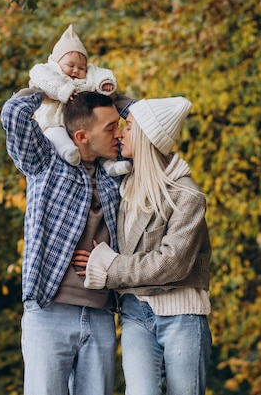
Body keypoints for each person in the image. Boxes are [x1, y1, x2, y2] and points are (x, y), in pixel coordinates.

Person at [78, 97, 212, 395]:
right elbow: (87, 125)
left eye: (129, 127)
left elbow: (171, 263)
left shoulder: (188, 197)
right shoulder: (122, 186)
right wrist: (95, 90)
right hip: (135, 312)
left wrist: (109, 268)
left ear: (148, 137)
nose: (120, 133)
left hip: (182, 315)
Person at [0, 89, 123, 395]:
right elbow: (14, 114)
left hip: (100, 315)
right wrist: (53, 87)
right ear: (82, 136)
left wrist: (106, 90)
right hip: (49, 310)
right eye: (110, 128)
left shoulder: (117, 174)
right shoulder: (46, 164)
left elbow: (147, 121)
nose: (118, 133)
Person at [29, 24, 133, 176]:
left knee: (100, 145)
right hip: (54, 122)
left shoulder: (88, 77)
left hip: (81, 123)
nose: (76, 70)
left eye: (81, 67)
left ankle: (109, 165)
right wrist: (63, 90)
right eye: (70, 65)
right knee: (56, 135)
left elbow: (101, 74)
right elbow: (39, 75)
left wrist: (105, 84)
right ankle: (67, 151)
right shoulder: (51, 72)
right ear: (56, 63)